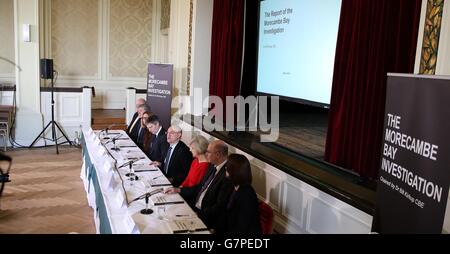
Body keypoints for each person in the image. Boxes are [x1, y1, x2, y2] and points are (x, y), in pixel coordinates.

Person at [166, 140, 233, 231]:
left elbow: (219, 206)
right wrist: (178, 190)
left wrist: (197, 214)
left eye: (208, 152)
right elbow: (199, 187)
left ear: (218, 154)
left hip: (206, 217)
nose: (206, 154)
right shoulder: (212, 166)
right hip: (195, 207)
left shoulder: (227, 174)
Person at [218, 154, 261, 234]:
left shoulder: (247, 195)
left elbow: (242, 227)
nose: (225, 168)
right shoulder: (231, 185)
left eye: (228, 166)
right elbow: (223, 210)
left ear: (234, 171)